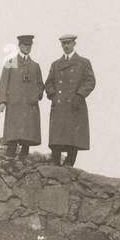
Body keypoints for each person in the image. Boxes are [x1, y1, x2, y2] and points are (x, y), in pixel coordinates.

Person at [45, 33, 95, 166]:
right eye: (63, 44)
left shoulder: (83, 62)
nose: (66, 46)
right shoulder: (56, 64)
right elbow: (48, 83)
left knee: (74, 138)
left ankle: (69, 164)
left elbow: (91, 81)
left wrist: (80, 95)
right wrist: (53, 95)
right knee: (56, 137)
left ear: (74, 44)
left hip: (75, 104)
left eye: (68, 43)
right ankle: (55, 163)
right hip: (59, 105)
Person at [0, 34, 44, 160]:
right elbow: (3, 83)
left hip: (30, 104)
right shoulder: (10, 62)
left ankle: (24, 156)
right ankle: (10, 155)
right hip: (14, 104)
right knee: (13, 132)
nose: (27, 47)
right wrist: (2, 101)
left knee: (28, 133)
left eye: (29, 45)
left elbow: (40, 84)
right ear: (19, 46)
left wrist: (37, 95)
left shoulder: (35, 66)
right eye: (24, 45)